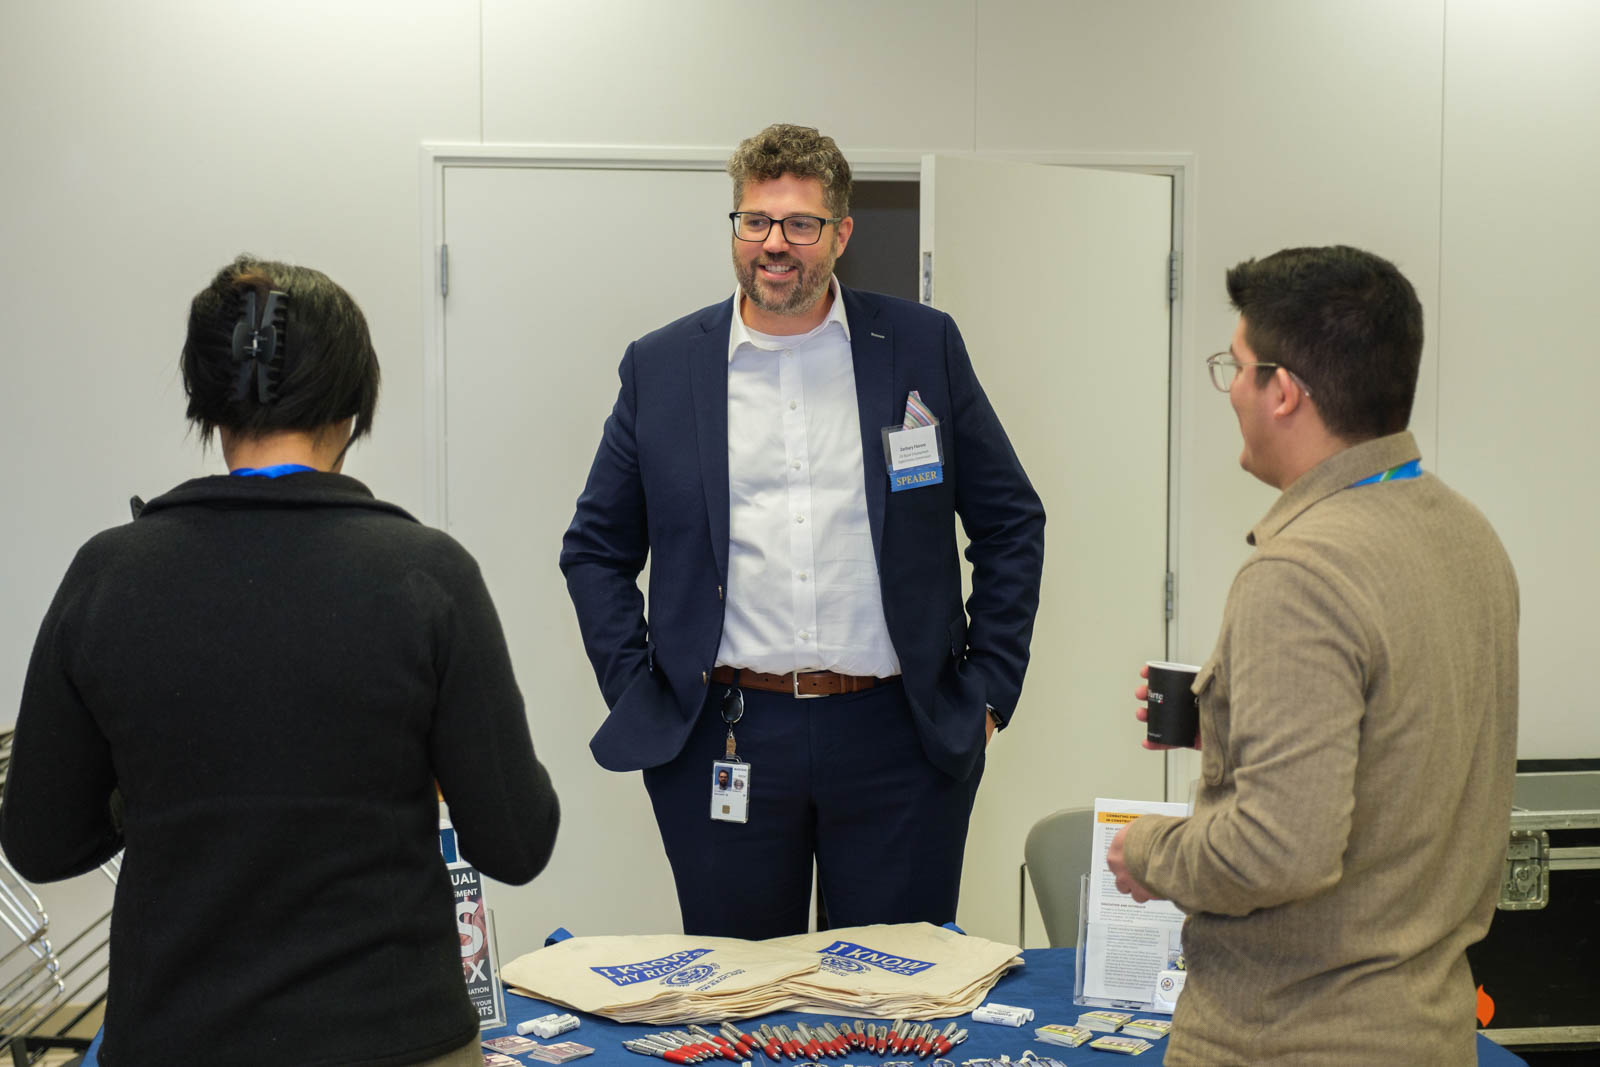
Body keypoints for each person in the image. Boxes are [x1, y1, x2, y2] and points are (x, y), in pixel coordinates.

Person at [0, 256, 560, 1067]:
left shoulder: (109, 574)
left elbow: (40, 840)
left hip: (173, 1039)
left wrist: (155, 785)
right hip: (395, 1036)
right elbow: (516, 841)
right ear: (355, 401)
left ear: (208, 398)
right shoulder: (427, 574)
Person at [561, 124, 1045, 938]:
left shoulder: (920, 347)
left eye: (799, 224)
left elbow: (1009, 522)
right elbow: (596, 548)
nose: (773, 244)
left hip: (900, 737)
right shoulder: (663, 365)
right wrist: (643, 688)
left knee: (895, 1002)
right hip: (728, 735)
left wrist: (988, 689)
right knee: (743, 1004)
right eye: (754, 221)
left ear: (841, 233)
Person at [1106, 246, 1518, 1065]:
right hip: (1431, 1031)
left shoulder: (1298, 572)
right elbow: (1401, 749)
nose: (1230, 387)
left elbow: (1275, 850)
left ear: (1284, 390)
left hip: (1288, 1036)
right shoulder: (1470, 536)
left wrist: (1148, 850)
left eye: (1238, 365)